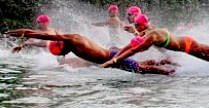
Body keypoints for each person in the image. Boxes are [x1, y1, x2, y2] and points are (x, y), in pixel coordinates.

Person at [102, 14, 209, 75]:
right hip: (185, 43)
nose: (135, 26)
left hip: (188, 44)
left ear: (141, 25)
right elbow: (140, 37)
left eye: (136, 24)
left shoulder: (152, 35)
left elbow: (134, 49)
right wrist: (133, 31)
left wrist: (115, 60)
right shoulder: (149, 30)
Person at [5, 28, 175, 75]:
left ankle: (170, 73)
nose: (63, 55)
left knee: (142, 70)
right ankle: (164, 62)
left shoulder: (71, 40)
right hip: (111, 54)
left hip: (112, 56)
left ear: (61, 48)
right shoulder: (69, 38)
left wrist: (21, 34)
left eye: (61, 53)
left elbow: (39, 34)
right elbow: (37, 34)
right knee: (141, 66)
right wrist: (19, 38)